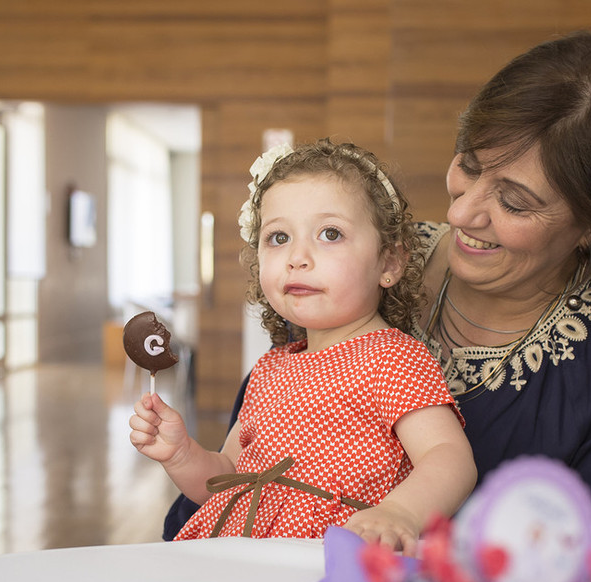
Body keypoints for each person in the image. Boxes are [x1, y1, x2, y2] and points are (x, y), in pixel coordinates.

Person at [166, 31, 591, 552]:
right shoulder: (349, 267)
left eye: (513, 202)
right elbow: (246, 463)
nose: (461, 212)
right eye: (468, 164)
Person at [131, 139, 476, 555]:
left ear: (388, 263)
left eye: (330, 234)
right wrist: (182, 455)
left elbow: (450, 457)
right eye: (278, 237)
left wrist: (400, 513)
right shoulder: (269, 369)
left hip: (327, 563)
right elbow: (227, 481)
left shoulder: (394, 359)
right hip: (234, 560)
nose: (297, 257)